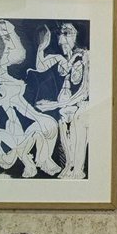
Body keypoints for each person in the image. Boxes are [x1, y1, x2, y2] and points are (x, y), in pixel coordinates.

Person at [0, 19, 60, 178]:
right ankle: (27, 161)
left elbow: (24, 107)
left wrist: (40, 118)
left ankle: (43, 159)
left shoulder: (12, 81)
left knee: (50, 124)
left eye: (8, 39)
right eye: (2, 40)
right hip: (3, 138)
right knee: (14, 127)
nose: (9, 47)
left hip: (19, 132)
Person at [32, 22, 90, 179]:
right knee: (64, 130)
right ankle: (69, 166)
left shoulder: (86, 56)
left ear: (78, 35)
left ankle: (77, 169)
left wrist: (55, 105)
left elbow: (84, 91)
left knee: (78, 122)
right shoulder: (61, 59)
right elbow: (40, 66)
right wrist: (41, 47)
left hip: (81, 107)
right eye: (60, 34)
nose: (61, 40)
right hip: (64, 108)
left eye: (67, 33)